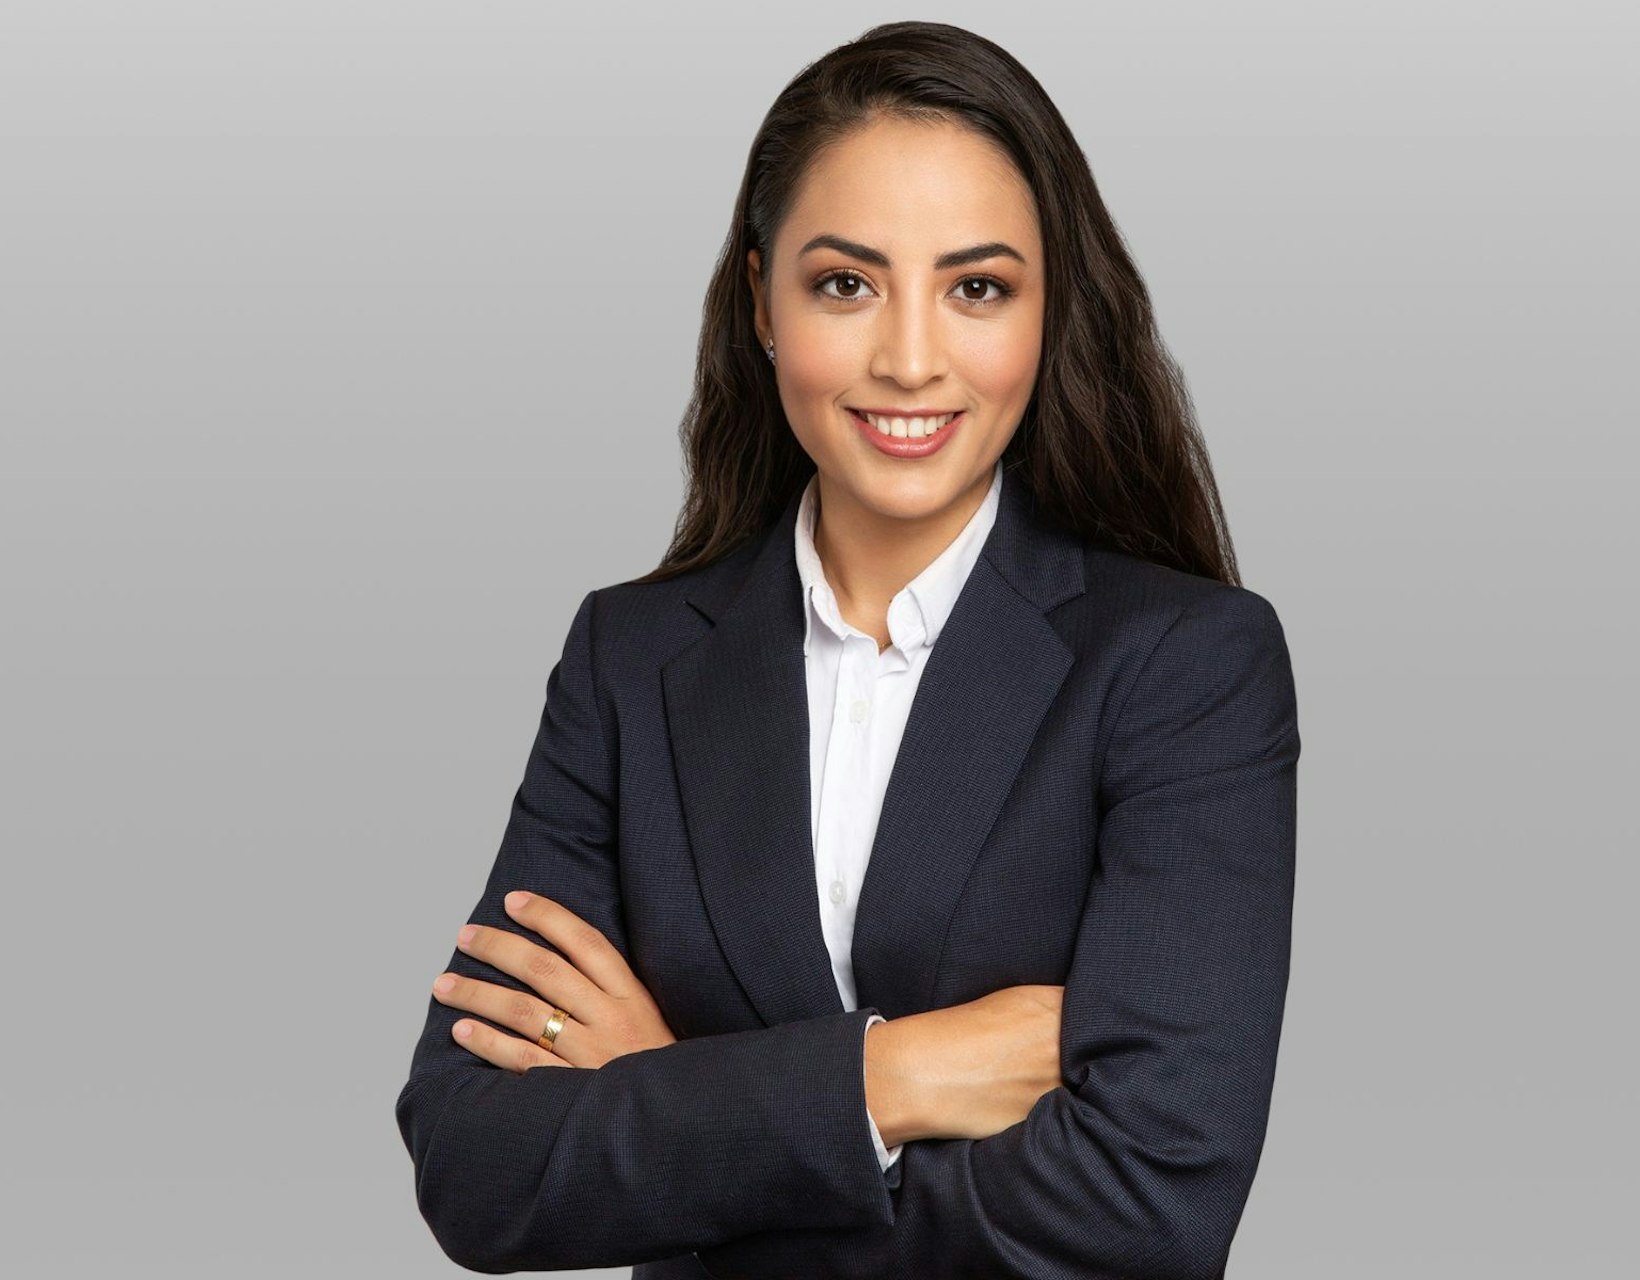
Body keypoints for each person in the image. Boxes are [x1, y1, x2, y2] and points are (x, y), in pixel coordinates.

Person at [394, 20, 1299, 1279]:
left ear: (1050, 311)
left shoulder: (1185, 665)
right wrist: (896, 1075)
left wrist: (677, 1096)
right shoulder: (630, 662)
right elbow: (476, 1164)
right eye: (845, 284)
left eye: (977, 288)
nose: (910, 359)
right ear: (761, 300)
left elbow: (1150, 1211)